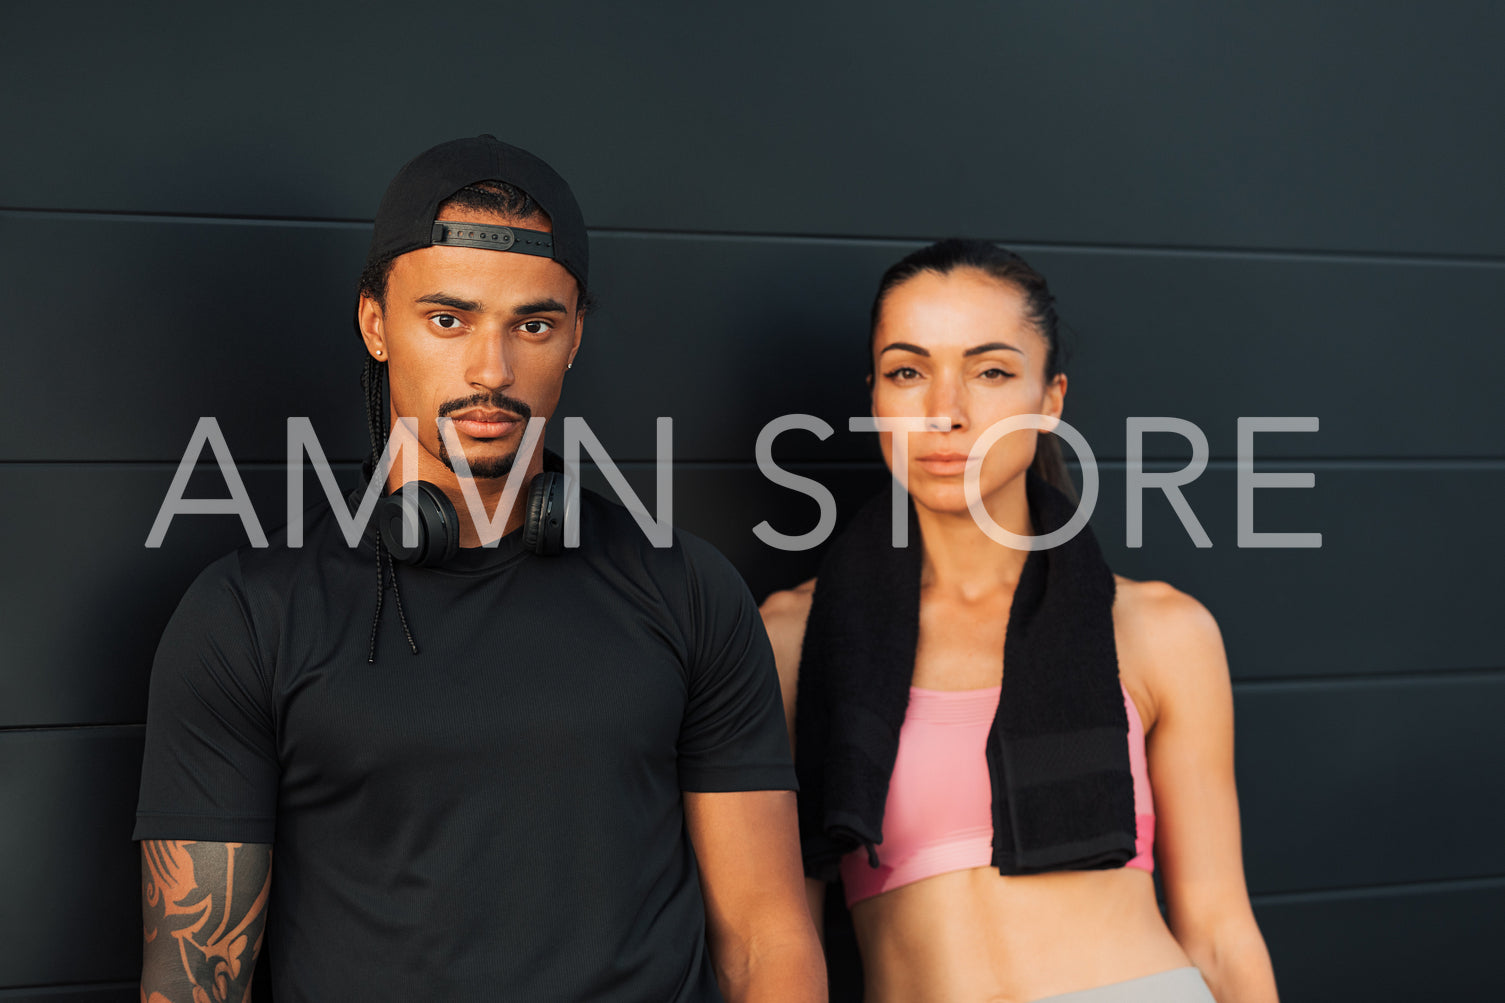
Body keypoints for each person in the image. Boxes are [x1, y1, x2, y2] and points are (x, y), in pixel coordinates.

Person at [135, 135, 825, 1002]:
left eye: (531, 324)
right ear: (376, 324)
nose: (490, 371)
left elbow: (766, 939)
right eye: (448, 319)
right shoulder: (246, 615)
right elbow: (194, 975)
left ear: (574, 336)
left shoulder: (688, 591)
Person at [760, 239, 1279, 1002]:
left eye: (991, 371)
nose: (947, 411)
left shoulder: (1161, 630)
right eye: (908, 372)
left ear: (1050, 398)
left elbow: (1219, 929)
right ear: (874, 395)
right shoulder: (793, 638)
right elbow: (779, 939)